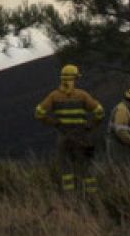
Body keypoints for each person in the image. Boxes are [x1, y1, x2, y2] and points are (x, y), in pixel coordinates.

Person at [34, 62, 105, 199]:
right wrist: (91, 125)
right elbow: (100, 112)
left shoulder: (54, 96)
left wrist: (54, 123)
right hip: (81, 137)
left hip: (63, 138)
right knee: (86, 168)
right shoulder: (83, 95)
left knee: (66, 169)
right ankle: (91, 197)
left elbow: (39, 113)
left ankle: (70, 198)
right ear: (74, 79)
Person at [106, 86, 130, 167]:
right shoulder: (122, 110)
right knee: (121, 170)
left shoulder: (125, 109)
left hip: (120, 146)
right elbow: (121, 131)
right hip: (118, 147)